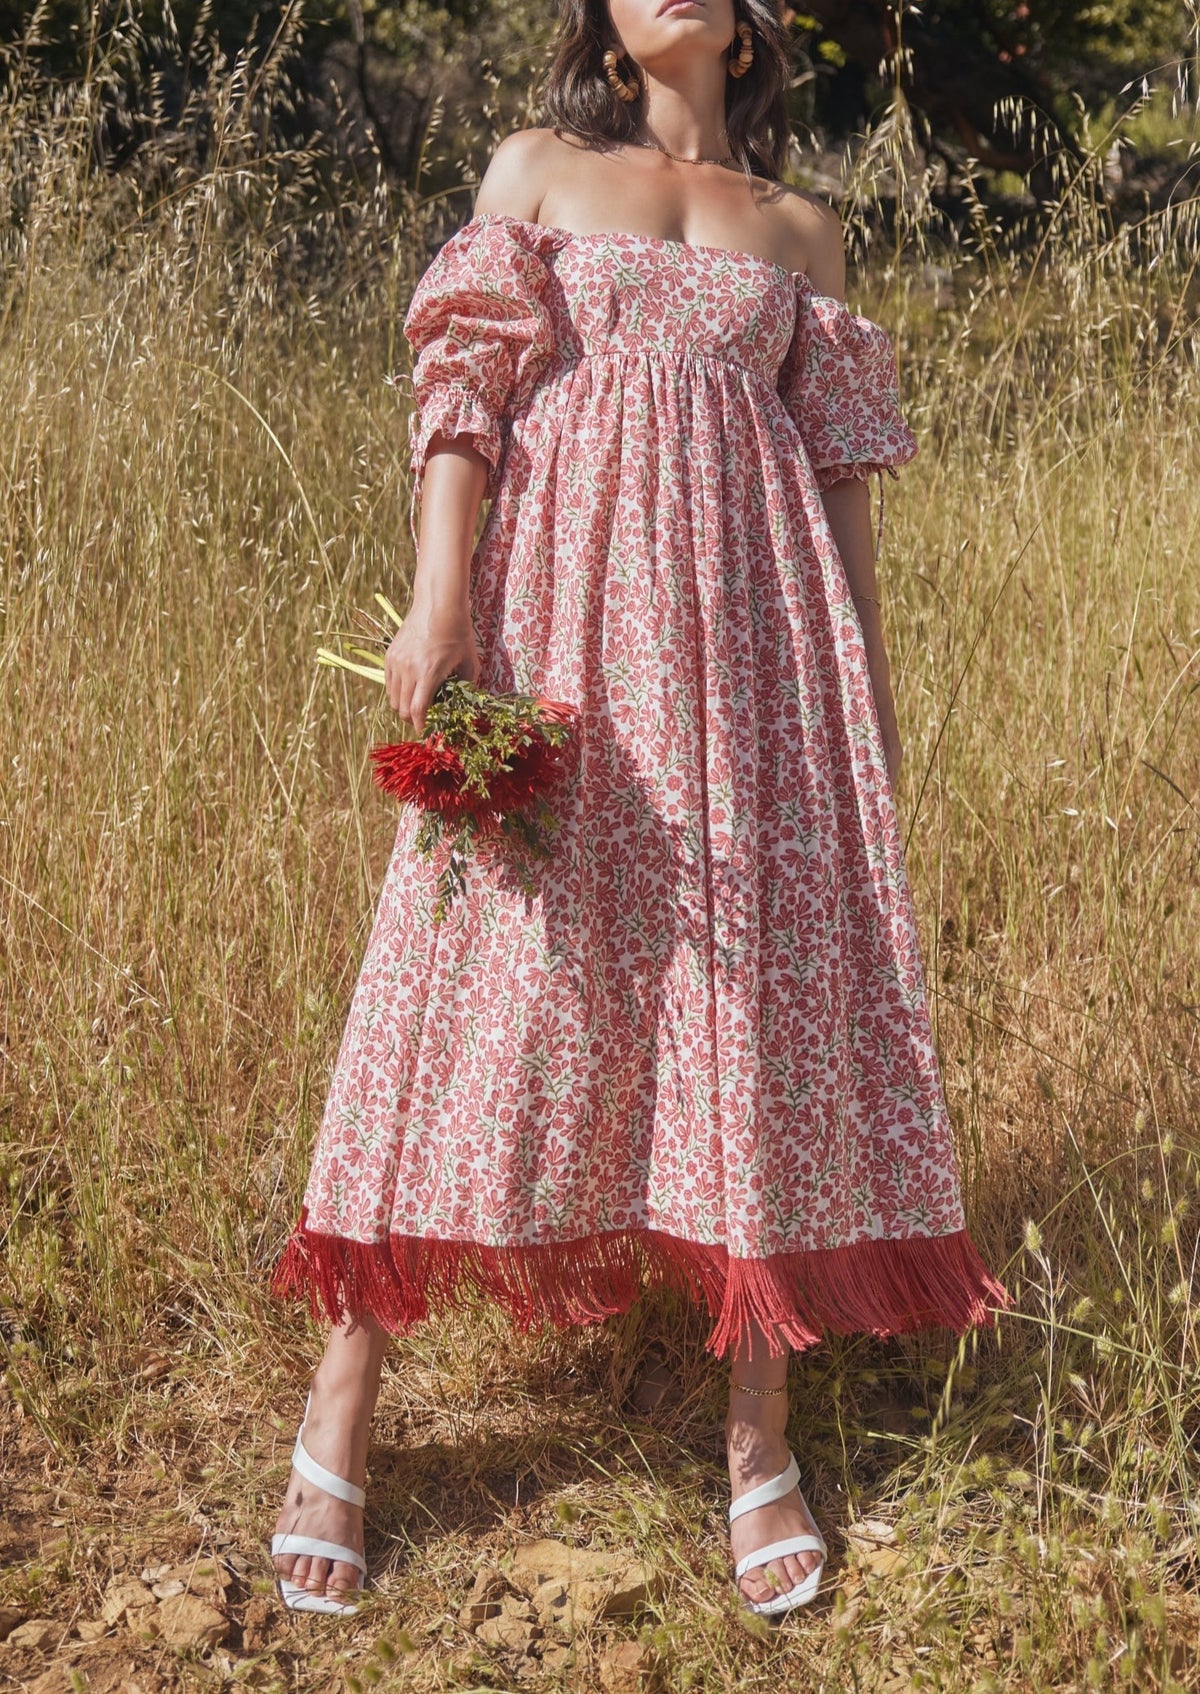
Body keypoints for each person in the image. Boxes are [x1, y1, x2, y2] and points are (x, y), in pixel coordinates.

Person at [269, 0, 1009, 1622]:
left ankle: (759, 1437)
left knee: (745, 1001)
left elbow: (840, 497)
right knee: (470, 978)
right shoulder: (536, 169)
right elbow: (462, 393)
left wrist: (864, 697)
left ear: (752, 22)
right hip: (562, 629)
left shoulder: (804, 232)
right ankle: (341, 1410)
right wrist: (437, 599)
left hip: (754, 663)